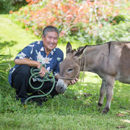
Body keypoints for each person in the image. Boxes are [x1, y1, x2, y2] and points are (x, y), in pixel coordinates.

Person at [8, 26, 78, 105]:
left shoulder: (58, 53)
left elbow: (57, 74)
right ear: (43, 37)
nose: (52, 41)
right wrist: (38, 64)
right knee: (24, 69)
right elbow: (17, 60)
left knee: (56, 84)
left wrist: (68, 79)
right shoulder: (34, 46)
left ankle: (34, 101)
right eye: (49, 37)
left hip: (39, 82)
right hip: (22, 80)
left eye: (55, 38)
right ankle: (22, 98)